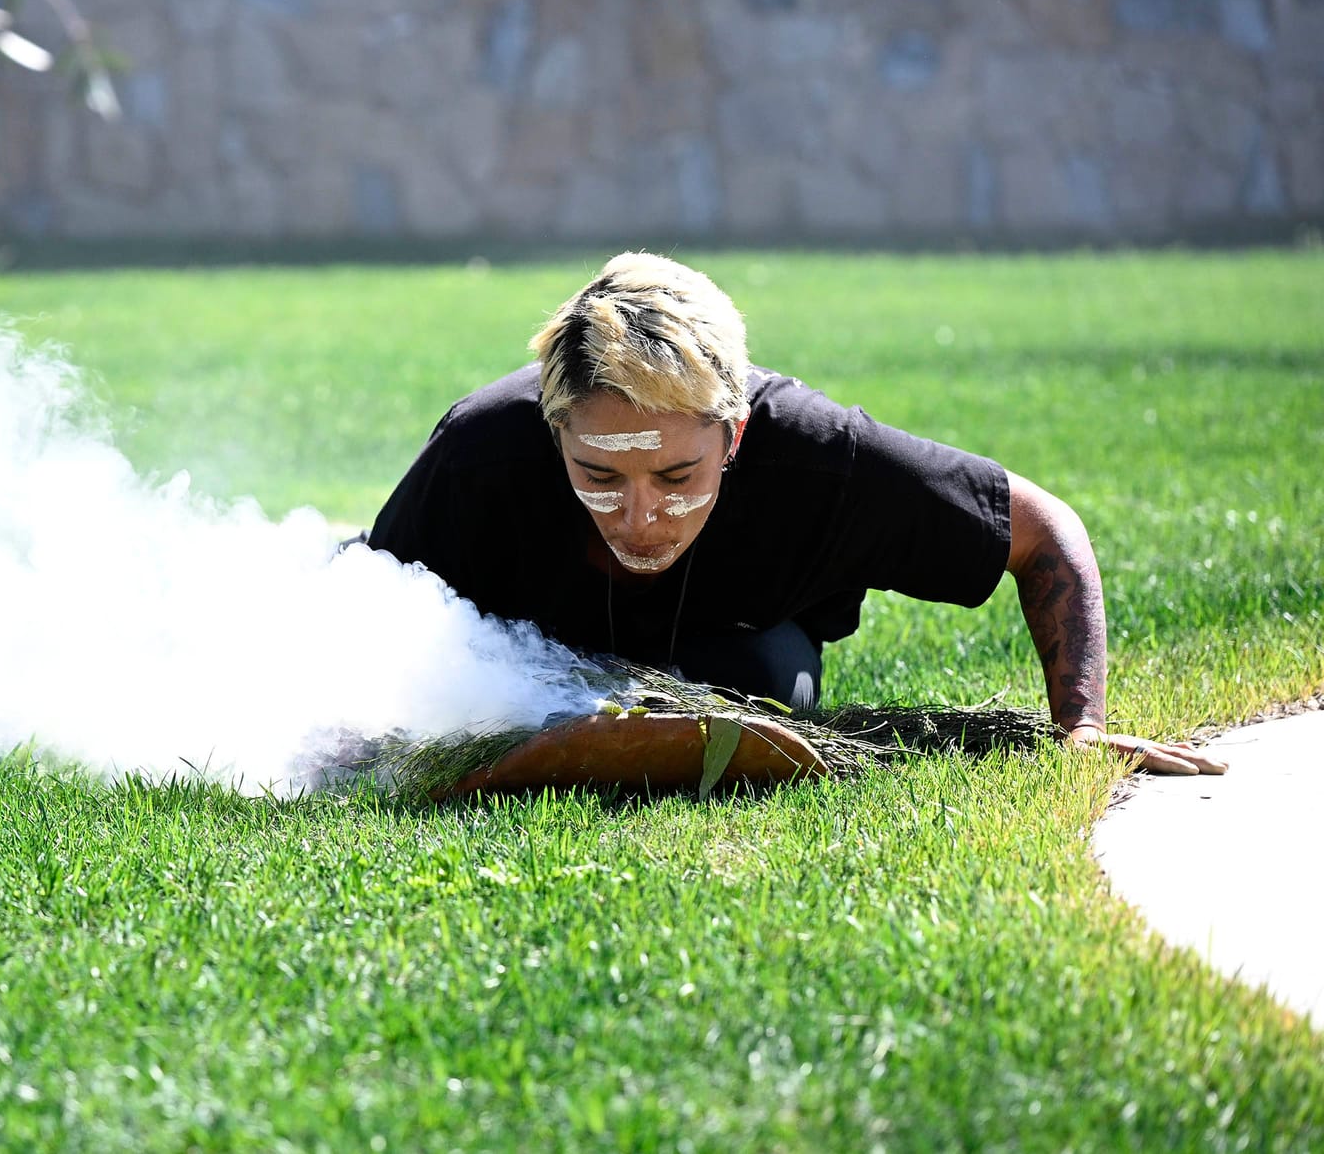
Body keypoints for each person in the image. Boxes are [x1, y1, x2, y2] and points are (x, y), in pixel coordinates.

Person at [366, 252, 1225, 776]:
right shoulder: (480, 452)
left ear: (734, 433)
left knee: (759, 690)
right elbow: (359, 607)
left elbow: (1042, 530)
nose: (637, 515)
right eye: (597, 474)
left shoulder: (817, 458)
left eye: (675, 475)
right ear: (554, 431)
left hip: (740, 652)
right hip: (517, 645)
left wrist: (1080, 728)